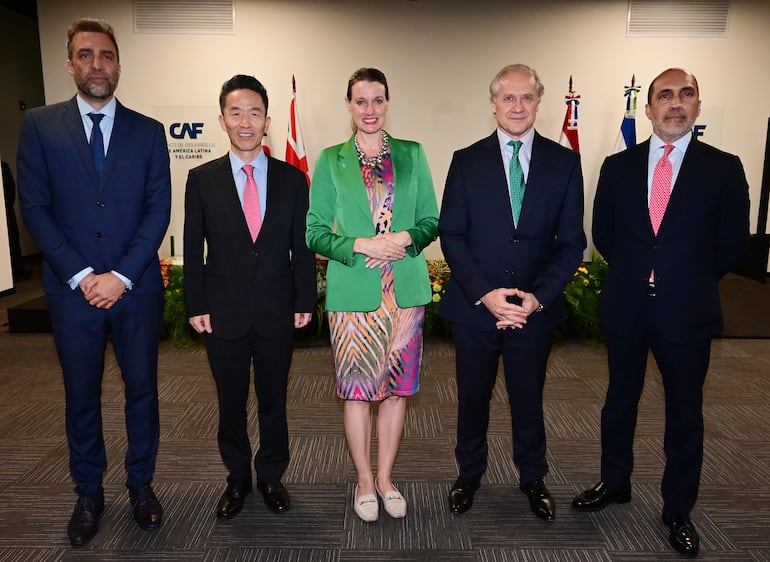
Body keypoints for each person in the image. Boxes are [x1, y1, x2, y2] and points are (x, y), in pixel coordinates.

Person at [572, 68, 750, 556]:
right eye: (665, 95)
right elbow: (603, 235)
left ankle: (678, 508)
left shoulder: (723, 166)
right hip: (627, 306)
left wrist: (685, 277)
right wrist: (640, 273)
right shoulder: (618, 166)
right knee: (618, 404)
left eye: (686, 94)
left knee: (684, 415)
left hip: (687, 310)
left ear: (697, 106)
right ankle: (615, 483)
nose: (676, 103)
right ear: (648, 109)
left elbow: (732, 241)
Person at [17, 18, 170, 546]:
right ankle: (88, 492)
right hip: (72, 292)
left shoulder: (149, 131)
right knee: (80, 395)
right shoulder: (39, 126)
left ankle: (141, 485)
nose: (97, 64)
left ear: (119, 64)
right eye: (85, 55)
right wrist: (84, 275)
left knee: (142, 392)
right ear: (70, 64)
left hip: (136, 289)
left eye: (106, 55)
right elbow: (34, 208)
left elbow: (158, 211)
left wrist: (121, 276)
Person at [439, 64, 585, 521]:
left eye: (526, 98)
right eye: (508, 98)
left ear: (539, 103)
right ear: (493, 104)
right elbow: (452, 234)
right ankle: (469, 474)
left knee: (529, 396)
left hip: (533, 311)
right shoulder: (466, 160)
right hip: (476, 307)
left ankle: (532, 476)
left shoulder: (564, 163)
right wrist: (486, 294)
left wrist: (536, 298)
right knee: (472, 397)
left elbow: (571, 243)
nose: (517, 106)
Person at [306, 67, 438, 523]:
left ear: (388, 101)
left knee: (398, 392)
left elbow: (431, 220)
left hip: (403, 293)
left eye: (377, 100)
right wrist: (362, 244)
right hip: (354, 294)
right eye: (360, 101)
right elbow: (315, 233)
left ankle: (386, 479)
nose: (369, 110)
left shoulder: (412, 154)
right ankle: (363, 481)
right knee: (358, 392)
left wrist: (401, 239)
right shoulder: (330, 161)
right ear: (348, 104)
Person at [184, 74, 316, 520]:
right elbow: (191, 247)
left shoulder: (292, 180)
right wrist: (196, 305)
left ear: (267, 120)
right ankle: (237, 477)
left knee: (274, 398)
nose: (246, 122)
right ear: (222, 120)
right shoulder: (201, 179)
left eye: (255, 113)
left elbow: (303, 247)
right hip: (223, 314)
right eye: (236, 112)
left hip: (278, 310)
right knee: (231, 401)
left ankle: (272, 476)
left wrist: (304, 301)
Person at [2, 160, 31, 281]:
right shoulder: (3, 166)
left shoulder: (3, 166)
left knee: (13, 242)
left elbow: (11, 190)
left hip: (7, 211)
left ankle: (17, 272)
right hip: (7, 210)